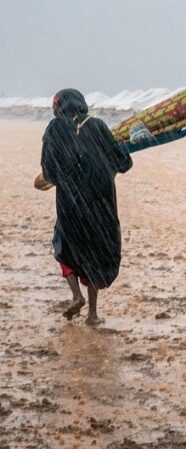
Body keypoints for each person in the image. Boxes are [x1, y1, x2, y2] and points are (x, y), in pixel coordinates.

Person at [37, 89, 132, 325]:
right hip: (101, 204)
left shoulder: (55, 130)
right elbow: (122, 162)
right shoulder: (97, 126)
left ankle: (76, 296)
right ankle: (92, 314)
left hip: (70, 204)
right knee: (95, 252)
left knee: (64, 245)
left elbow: (49, 171)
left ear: (60, 107)